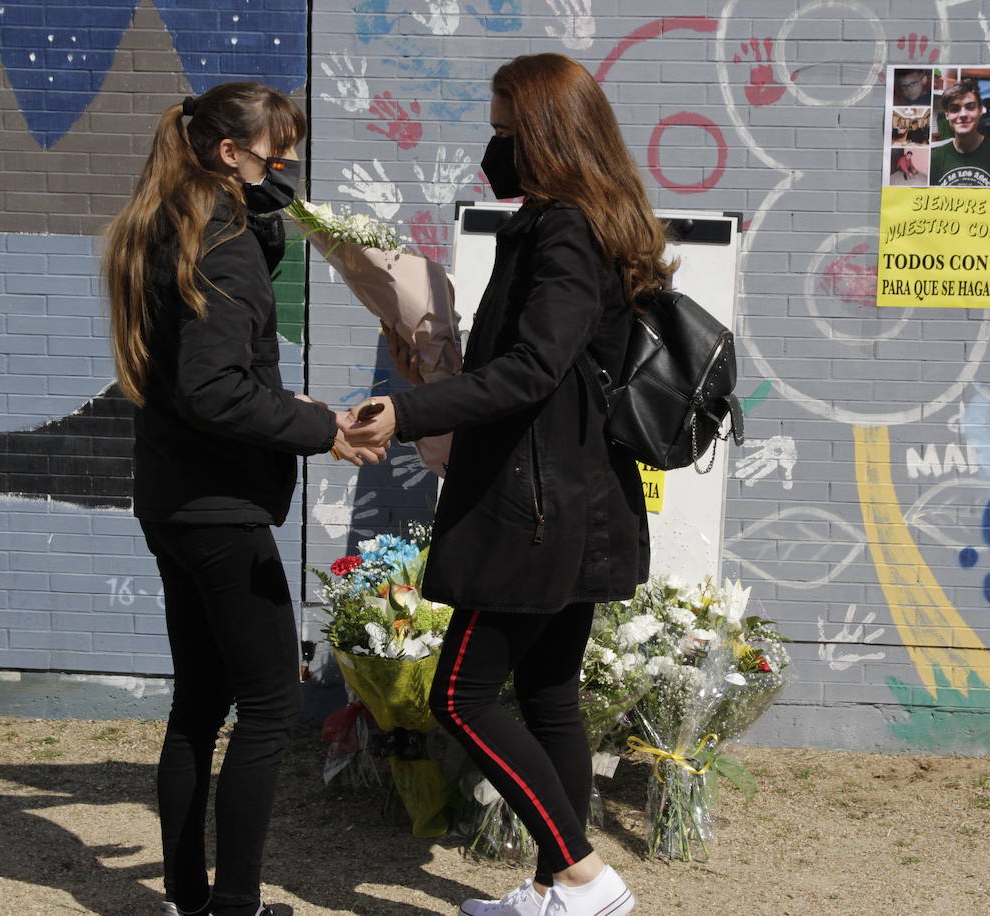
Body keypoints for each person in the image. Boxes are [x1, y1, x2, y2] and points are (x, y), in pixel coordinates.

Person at [343, 53, 665, 916]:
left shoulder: (565, 229)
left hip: (535, 504)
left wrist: (409, 413)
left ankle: (585, 877)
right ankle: (551, 889)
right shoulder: (587, 221)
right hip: (575, 496)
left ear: (543, 134)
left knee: (460, 694)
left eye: (505, 128)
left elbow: (532, 369)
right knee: (551, 694)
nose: (494, 144)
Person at [102, 82, 384, 916]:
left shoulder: (167, 225)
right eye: (276, 152)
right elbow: (216, 389)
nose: (289, 166)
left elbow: (204, 383)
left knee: (197, 703)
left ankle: (189, 899)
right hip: (221, 508)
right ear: (230, 155)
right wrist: (319, 428)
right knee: (267, 706)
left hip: (174, 499)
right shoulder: (217, 241)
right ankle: (236, 906)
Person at [931, 78, 990, 187]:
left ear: (980, 110)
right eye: (955, 109)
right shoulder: (935, 158)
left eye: (970, 107)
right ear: (947, 114)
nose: (963, 114)